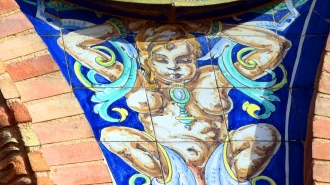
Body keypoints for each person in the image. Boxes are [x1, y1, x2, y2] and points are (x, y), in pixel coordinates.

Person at [60, 21, 289, 185]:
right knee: (112, 136)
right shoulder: (136, 82)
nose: (173, 66)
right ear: (147, 61)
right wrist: (123, 27)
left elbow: (275, 46)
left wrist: (216, 28)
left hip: (220, 160)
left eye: (183, 59)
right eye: (161, 60)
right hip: (167, 162)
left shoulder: (214, 77)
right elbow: (71, 41)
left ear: (194, 57)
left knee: (266, 133)